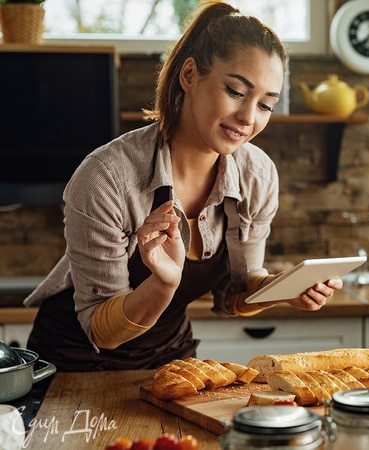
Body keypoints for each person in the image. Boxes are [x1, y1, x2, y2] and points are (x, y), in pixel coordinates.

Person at [24, 1, 342, 371]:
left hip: (170, 360)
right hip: (74, 366)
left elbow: (234, 296)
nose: (248, 118)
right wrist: (162, 285)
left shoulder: (258, 174)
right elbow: (101, 331)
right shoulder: (107, 178)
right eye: (236, 92)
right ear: (189, 75)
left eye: (266, 106)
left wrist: (283, 289)